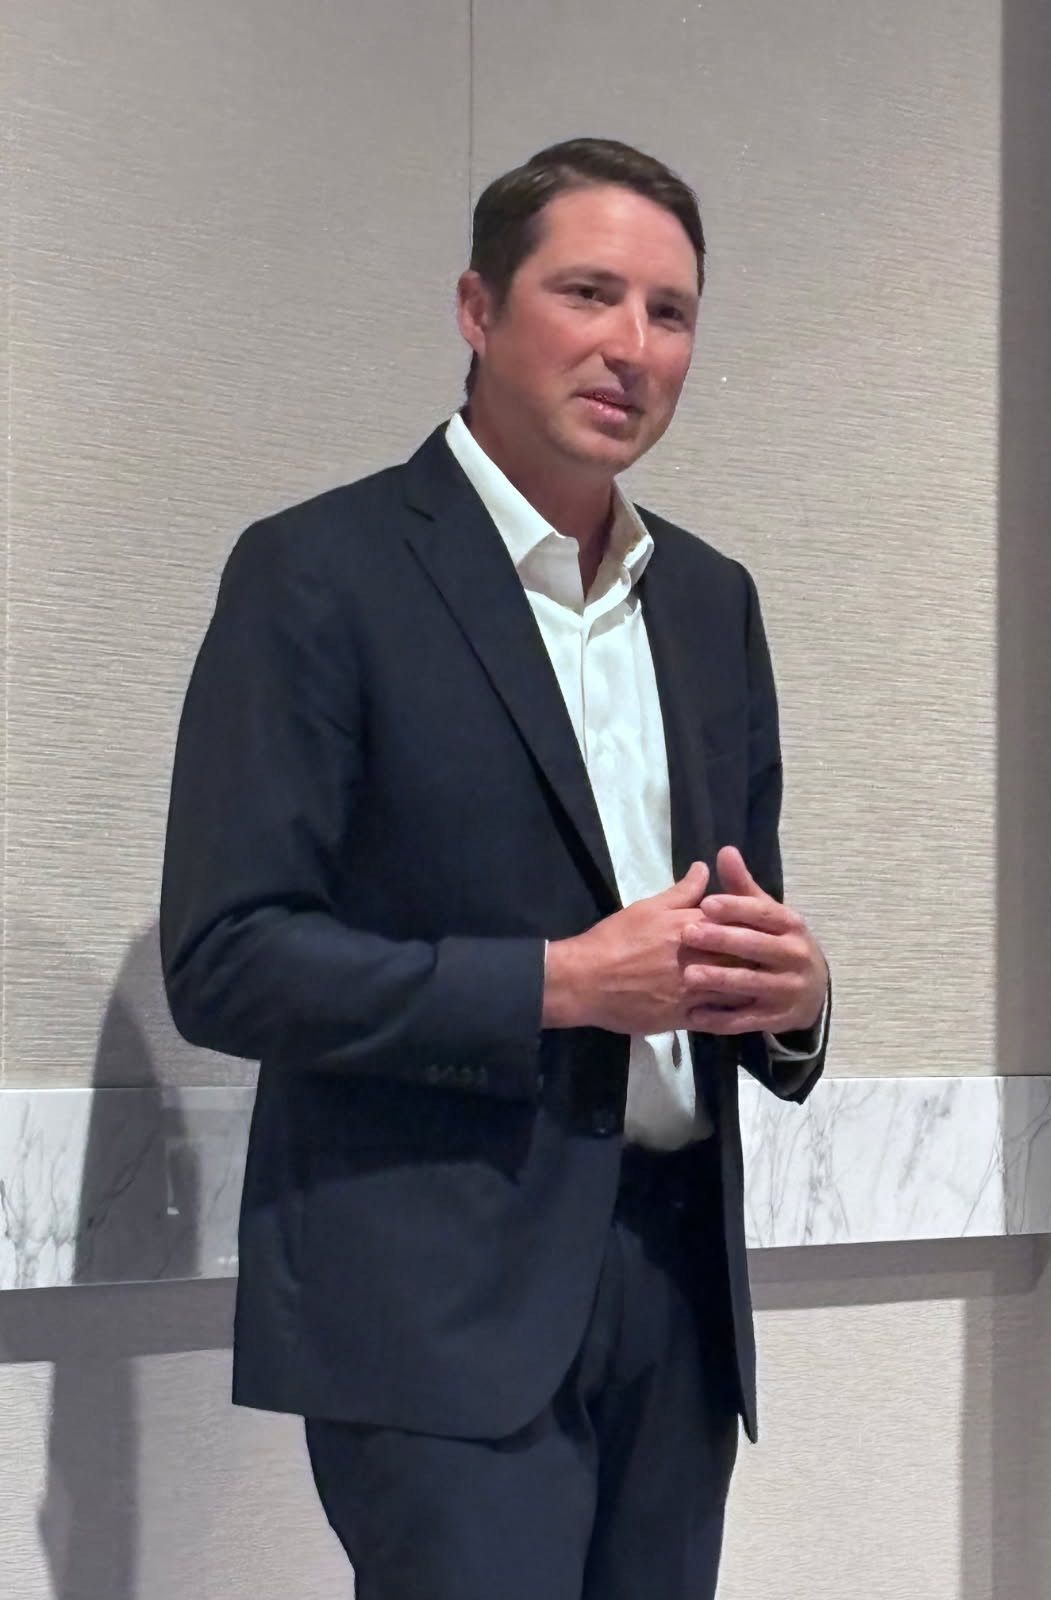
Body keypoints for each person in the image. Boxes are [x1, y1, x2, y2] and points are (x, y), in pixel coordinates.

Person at [160, 136, 830, 1600]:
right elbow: (227, 958)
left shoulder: (711, 602)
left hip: (674, 1288)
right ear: (477, 308)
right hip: (437, 1306)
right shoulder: (319, 573)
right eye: (588, 292)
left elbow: (731, 908)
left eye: (670, 312)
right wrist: (561, 986)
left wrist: (795, 992)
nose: (631, 347)